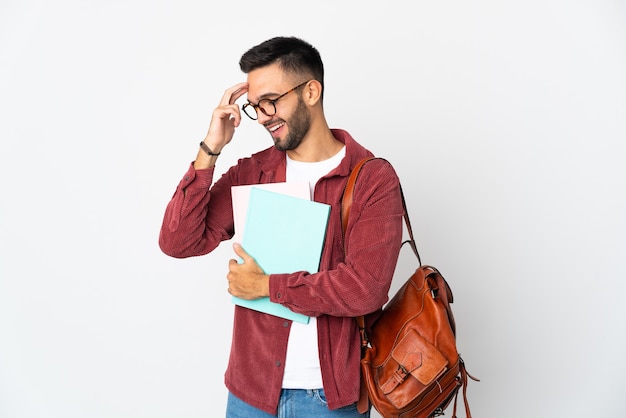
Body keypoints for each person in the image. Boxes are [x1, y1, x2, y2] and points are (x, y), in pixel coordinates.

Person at [159, 36, 404, 417]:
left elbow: (364, 289)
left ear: (311, 91)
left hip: (329, 399)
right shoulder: (254, 172)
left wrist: (265, 287)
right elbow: (179, 242)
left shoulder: (371, 178)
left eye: (272, 100)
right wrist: (211, 148)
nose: (264, 114)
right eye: (256, 106)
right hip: (250, 393)